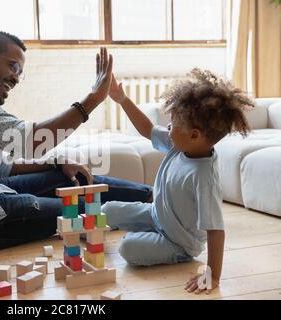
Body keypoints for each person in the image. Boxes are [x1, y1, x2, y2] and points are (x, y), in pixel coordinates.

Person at [0, 31, 152, 254]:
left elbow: (3, 168)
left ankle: (152, 196)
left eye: (20, 72)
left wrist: (55, 163)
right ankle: (155, 215)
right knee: (89, 211)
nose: (16, 77)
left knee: (70, 178)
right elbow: (34, 143)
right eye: (13, 66)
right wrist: (93, 100)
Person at [102, 69, 254, 294]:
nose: (168, 127)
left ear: (194, 135)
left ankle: (171, 252)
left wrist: (213, 275)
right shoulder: (180, 144)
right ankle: (139, 233)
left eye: (173, 124)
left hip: (178, 241)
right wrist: (122, 99)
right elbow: (147, 129)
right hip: (157, 214)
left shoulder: (204, 177)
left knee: (127, 247)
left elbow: (216, 231)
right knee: (105, 210)